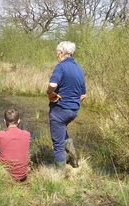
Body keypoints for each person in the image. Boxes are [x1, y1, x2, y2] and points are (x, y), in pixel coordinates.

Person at [46, 41, 87, 171]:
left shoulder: (61, 67)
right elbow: (83, 95)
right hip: (74, 110)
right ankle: (74, 160)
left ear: (62, 53)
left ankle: (59, 174)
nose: (57, 56)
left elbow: (53, 85)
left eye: (58, 53)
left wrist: (49, 92)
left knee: (57, 144)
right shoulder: (79, 68)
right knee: (62, 131)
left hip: (60, 110)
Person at [0, 108, 31, 181]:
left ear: (4, 121)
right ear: (19, 121)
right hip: (22, 176)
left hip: (5, 174)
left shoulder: (0, 135)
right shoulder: (27, 134)